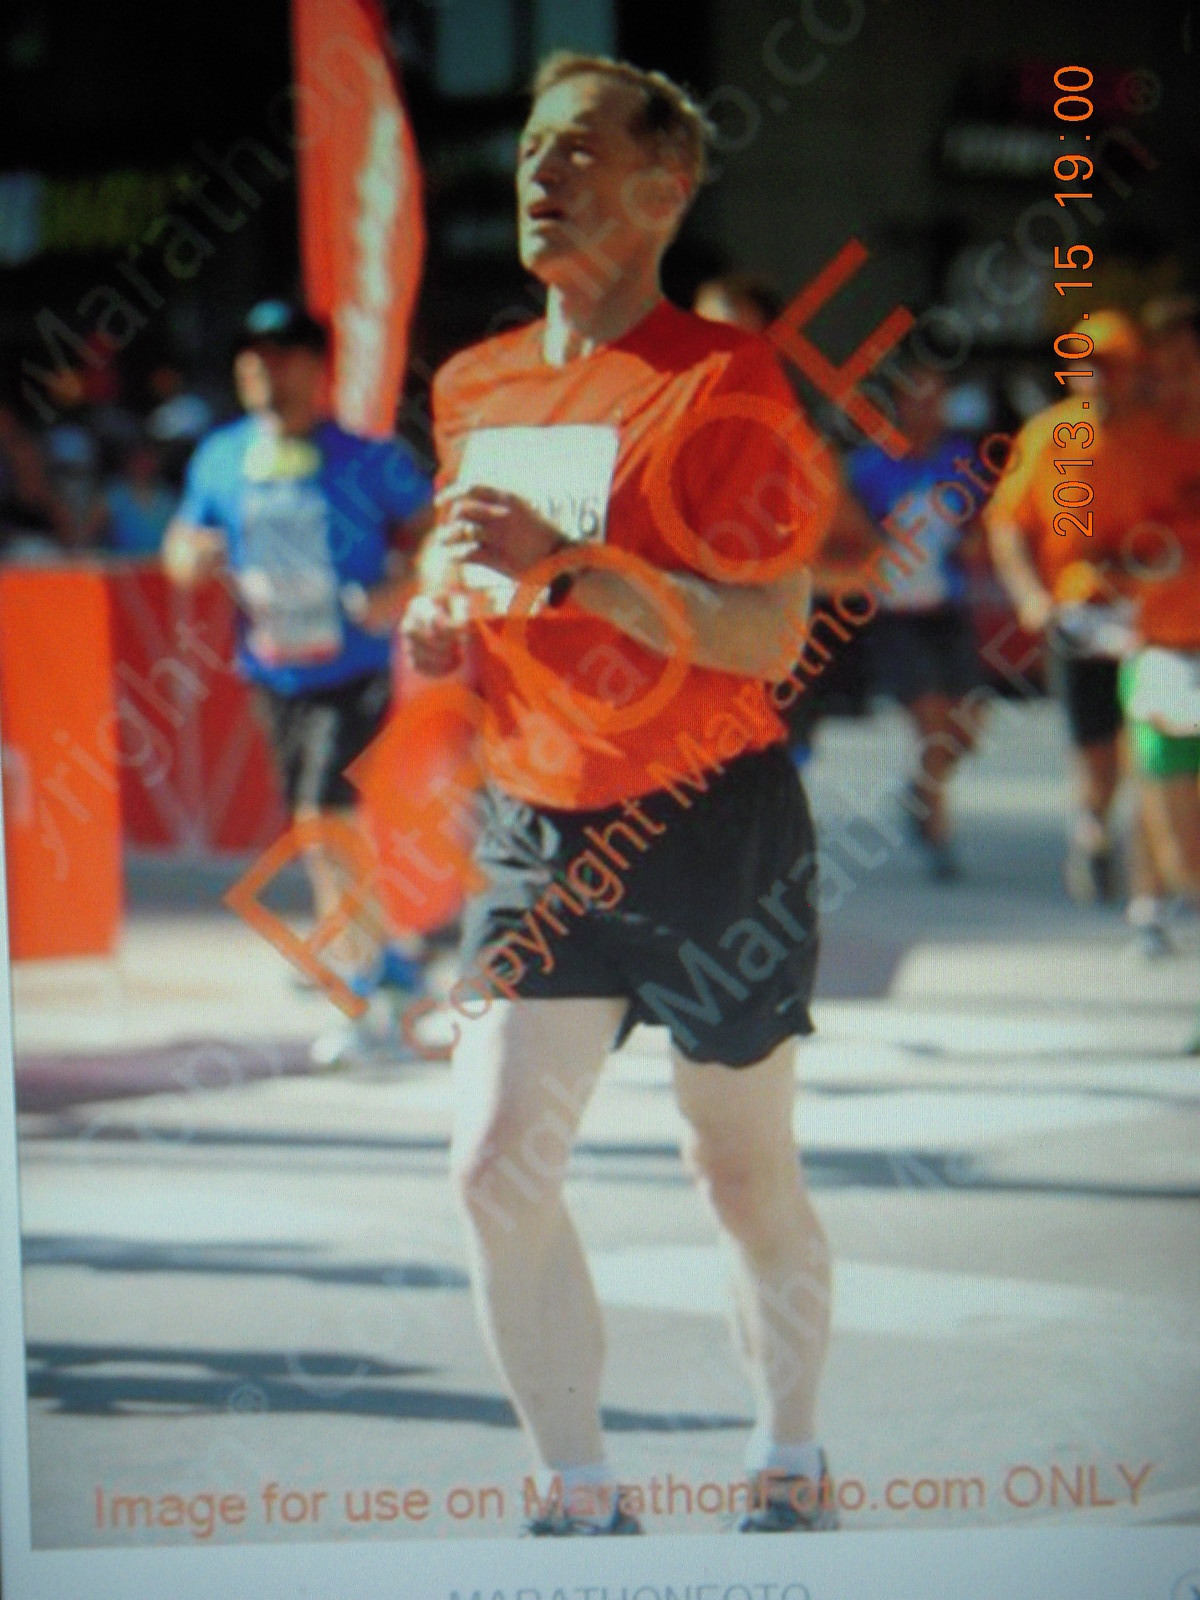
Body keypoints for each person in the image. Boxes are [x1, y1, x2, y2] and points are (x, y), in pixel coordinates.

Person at [404, 52, 838, 1536]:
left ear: (666, 187)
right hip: (537, 824)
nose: (543, 172)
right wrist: (443, 608)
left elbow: (767, 634)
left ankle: (790, 1452)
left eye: (580, 149)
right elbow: (465, 555)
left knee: (740, 1172)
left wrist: (573, 571)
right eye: (534, 147)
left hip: (711, 820)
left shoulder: (728, 380)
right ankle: (576, 1492)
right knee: (491, 1168)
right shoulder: (474, 382)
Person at [163, 300, 433, 1064]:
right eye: (253, 358)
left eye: (282, 356)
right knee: (319, 833)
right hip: (275, 672)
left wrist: (399, 586)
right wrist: (192, 558)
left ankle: (362, 994)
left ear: (317, 368)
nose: (264, 371)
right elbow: (182, 543)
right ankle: (387, 964)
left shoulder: (368, 456)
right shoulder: (222, 456)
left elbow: (432, 531)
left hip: (355, 669)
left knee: (323, 822)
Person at [983, 311, 1163, 923]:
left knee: (1151, 741)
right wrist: (1030, 597)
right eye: (1089, 367)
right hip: (1076, 614)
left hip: (1152, 619)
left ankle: (1152, 880)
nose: (1101, 380)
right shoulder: (1048, 436)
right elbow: (1008, 525)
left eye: (1114, 367)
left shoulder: (1162, 434)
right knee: (1096, 749)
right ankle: (1094, 829)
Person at [840, 362, 988, 879]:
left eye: (936, 399)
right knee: (932, 722)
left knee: (965, 727)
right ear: (899, 404)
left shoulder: (960, 460)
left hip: (948, 608)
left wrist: (973, 544)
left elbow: (979, 525)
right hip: (895, 614)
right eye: (918, 399)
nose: (928, 410)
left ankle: (919, 791)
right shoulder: (868, 468)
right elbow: (845, 534)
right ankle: (938, 838)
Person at [1104, 299, 1200, 1023]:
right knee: (1181, 843)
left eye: (1184, 367)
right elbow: (1093, 551)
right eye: (1157, 370)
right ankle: (1155, 903)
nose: (1168, 384)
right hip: (1164, 655)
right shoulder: (1127, 449)